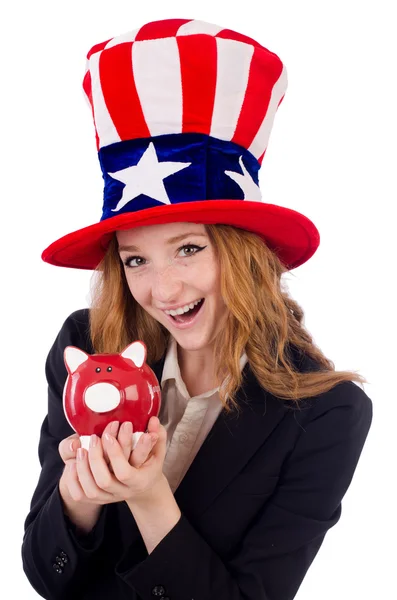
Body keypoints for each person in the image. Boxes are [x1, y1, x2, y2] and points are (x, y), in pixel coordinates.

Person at [21, 17, 373, 600]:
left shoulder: (328, 415)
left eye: (188, 248)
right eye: (135, 260)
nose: (163, 290)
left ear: (245, 252)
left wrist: (148, 494)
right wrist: (77, 495)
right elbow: (45, 572)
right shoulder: (87, 348)